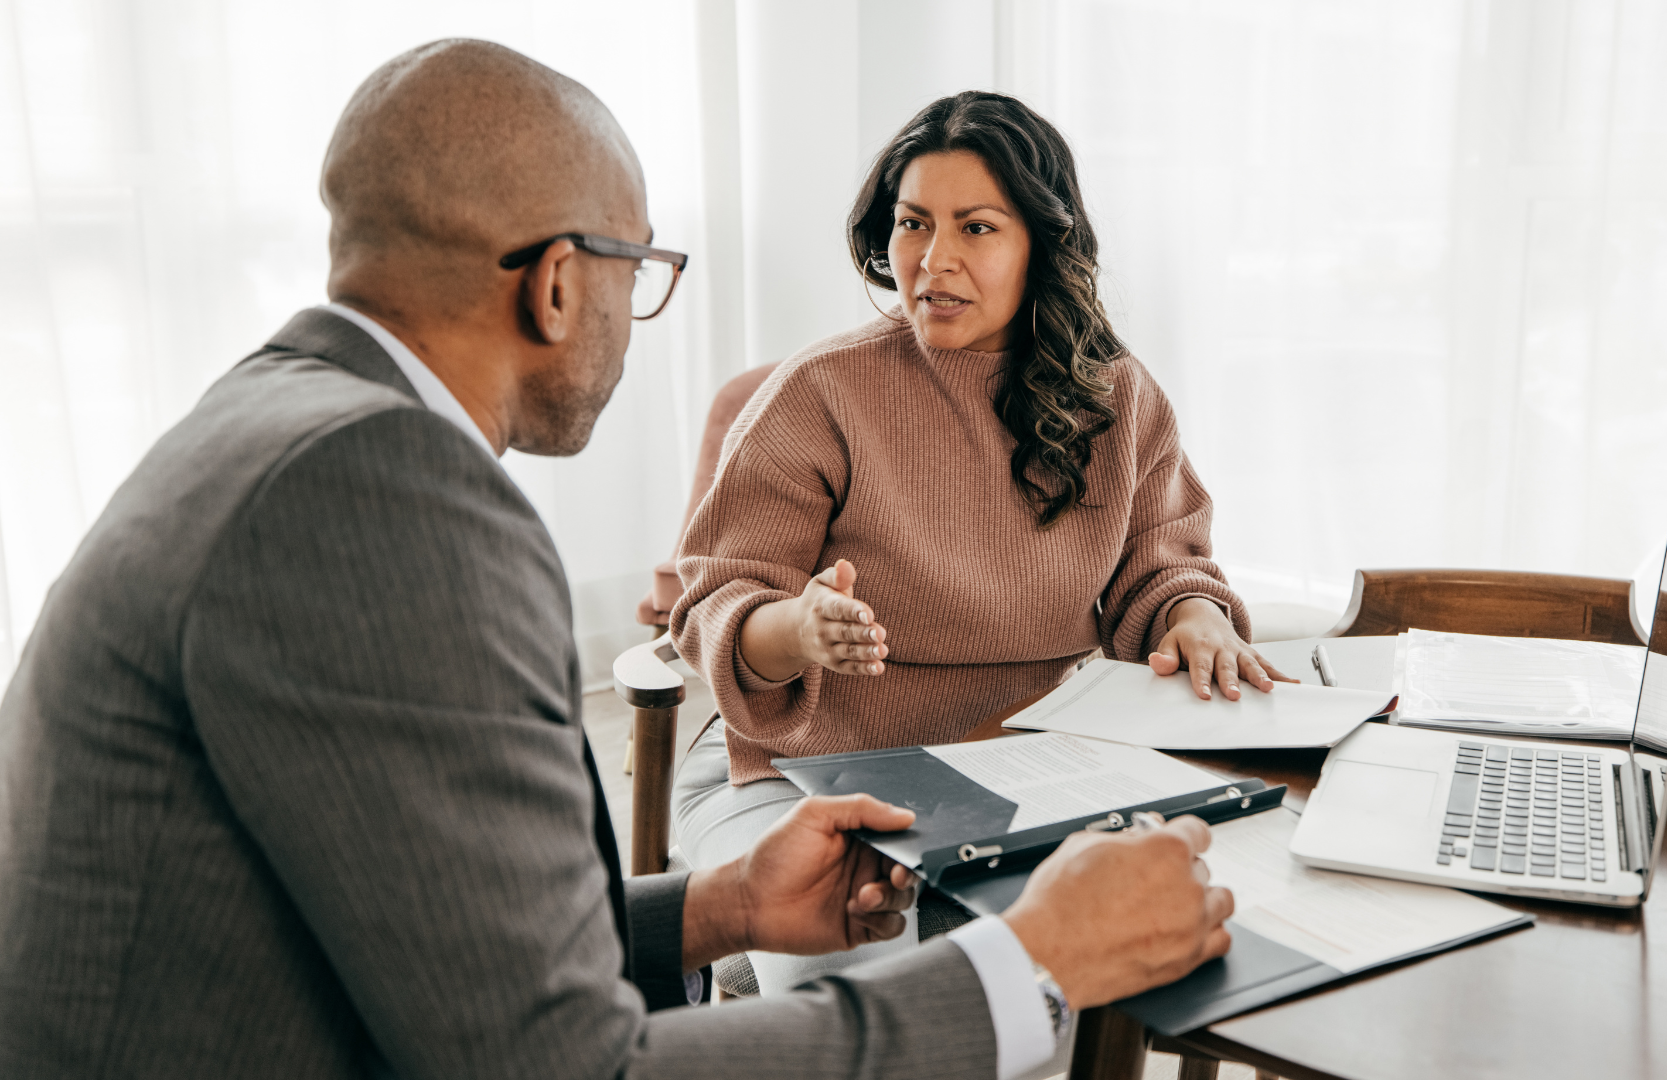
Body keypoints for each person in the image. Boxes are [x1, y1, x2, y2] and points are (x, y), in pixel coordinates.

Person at [0, 42, 1236, 1080]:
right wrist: (1029, 967)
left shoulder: (284, 421)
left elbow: (454, 938)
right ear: (555, 285)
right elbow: (570, 1062)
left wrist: (720, 908)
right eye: (639, 271)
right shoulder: (382, 499)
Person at [669, 91, 1287, 997]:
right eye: (914, 223)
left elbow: (1163, 561)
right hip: (809, 772)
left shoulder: (1117, 398)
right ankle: (752, 977)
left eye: (978, 227)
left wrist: (1193, 616)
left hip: (1027, 770)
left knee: (1123, 963)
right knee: (879, 1011)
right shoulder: (820, 394)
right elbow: (713, 605)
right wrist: (794, 628)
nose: (935, 260)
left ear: (1041, 242)